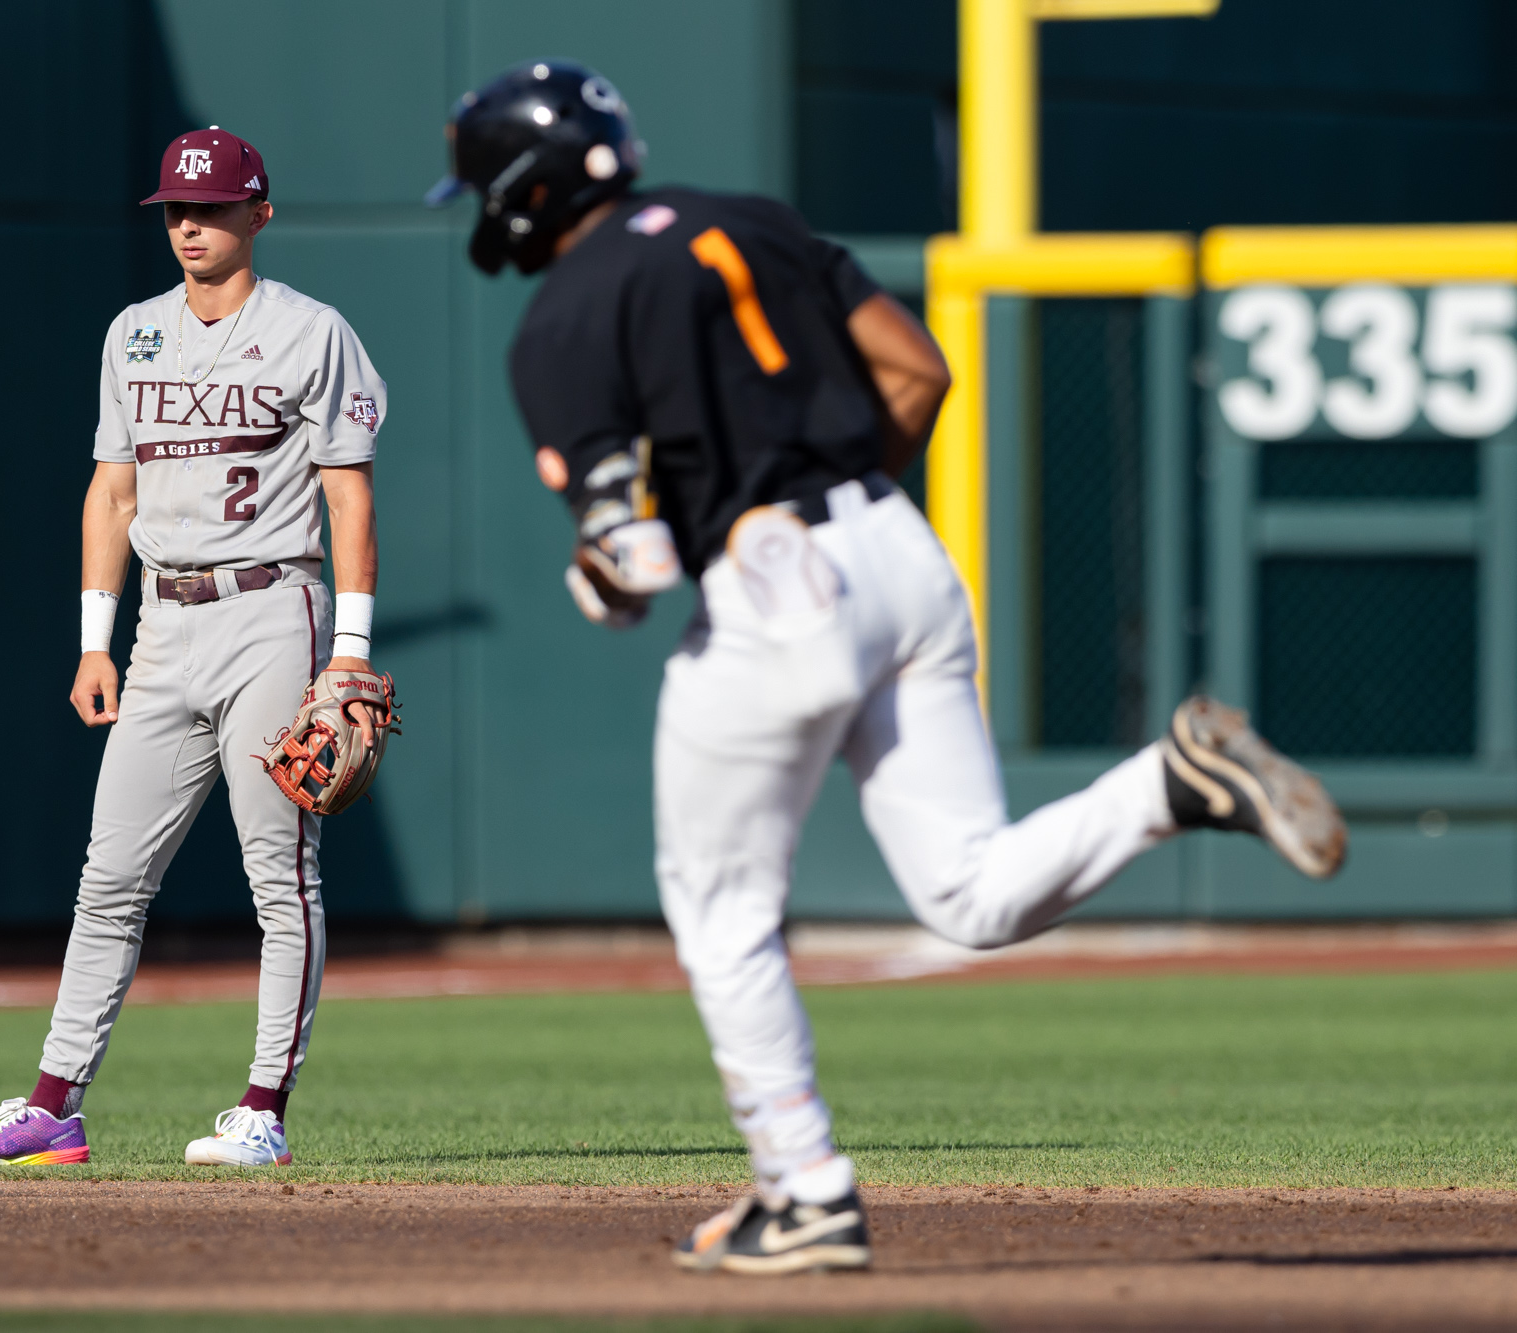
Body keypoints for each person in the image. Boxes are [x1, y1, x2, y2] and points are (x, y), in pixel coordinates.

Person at [427, 61, 1345, 1275]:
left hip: (767, 579)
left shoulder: (560, 317)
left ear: (527, 190)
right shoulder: (750, 218)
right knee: (967, 894)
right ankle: (1167, 785)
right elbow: (917, 372)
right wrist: (849, 513)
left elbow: (634, 562)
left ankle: (802, 1185)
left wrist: (614, 578)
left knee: (720, 907)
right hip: (896, 547)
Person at [0, 126, 388, 1171]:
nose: (189, 224)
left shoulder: (312, 332)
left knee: (280, 875)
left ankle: (262, 1108)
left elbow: (348, 495)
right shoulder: (132, 333)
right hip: (163, 623)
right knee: (108, 877)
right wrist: (95, 640)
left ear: (257, 216)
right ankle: (53, 1110)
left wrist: (347, 651)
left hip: (273, 607)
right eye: (175, 209)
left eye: (212, 208)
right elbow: (111, 492)